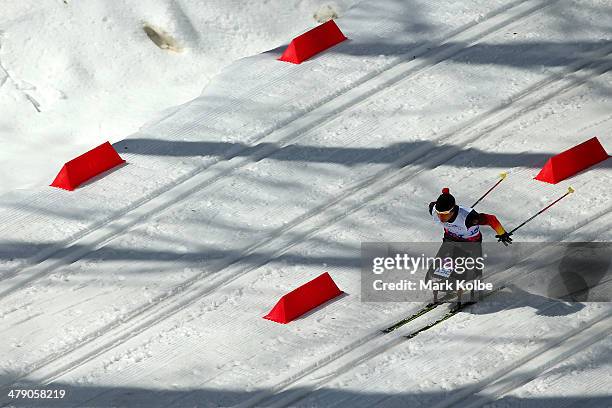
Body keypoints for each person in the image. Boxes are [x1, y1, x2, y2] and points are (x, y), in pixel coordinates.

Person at [426, 187, 512, 304]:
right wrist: (445, 195)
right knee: (439, 271)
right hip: (450, 240)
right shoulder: (434, 210)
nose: (441, 217)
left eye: (445, 214)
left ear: (452, 210)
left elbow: (491, 219)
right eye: (439, 213)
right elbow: (433, 204)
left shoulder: (470, 218)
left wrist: (502, 234)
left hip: (470, 243)